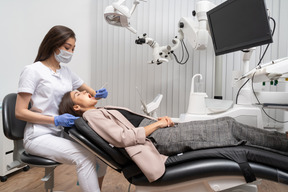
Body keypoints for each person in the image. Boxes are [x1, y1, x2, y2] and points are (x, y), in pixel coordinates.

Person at [58, 90, 288, 182]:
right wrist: (157, 126)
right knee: (230, 128)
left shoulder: (98, 112)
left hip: (159, 133)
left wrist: (159, 123)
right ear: (76, 107)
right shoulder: (92, 117)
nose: (87, 92)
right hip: (158, 140)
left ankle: (282, 145)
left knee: (229, 126)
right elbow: (124, 138)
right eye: (79, 94)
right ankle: (284, 146)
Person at [15, 25, 108, 192]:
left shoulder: (66, 72)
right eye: (67, 47)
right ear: (53, 44)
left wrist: (98, 94)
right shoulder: (32, 71)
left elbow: (91, 92)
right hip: (38, 135)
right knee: (84, 156)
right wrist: (55, 119)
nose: (70, 52)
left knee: (102, 152)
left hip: (61, 132)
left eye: (73, 48)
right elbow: (20, 112)